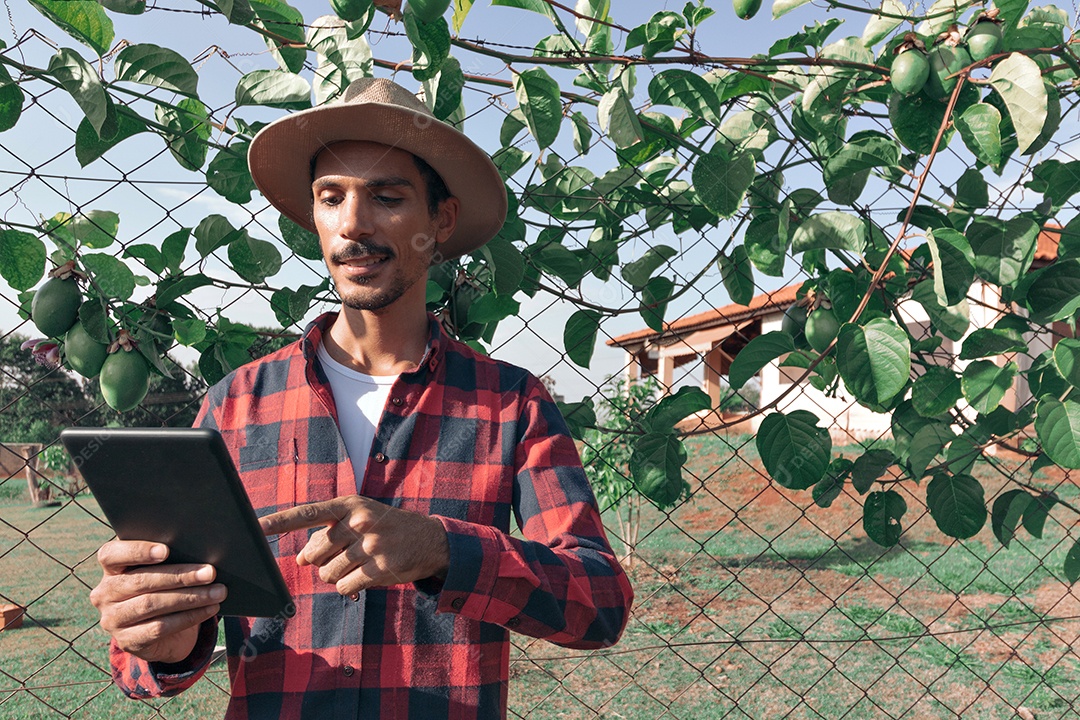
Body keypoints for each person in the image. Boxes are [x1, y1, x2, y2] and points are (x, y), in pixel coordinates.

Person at [89, 77, 634, 719]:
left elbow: (599, 605)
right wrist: (164, 637)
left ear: (442, 221)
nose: (354, 224)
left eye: (387, 197)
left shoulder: (510, 404)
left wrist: (441, 548)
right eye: (331, 197)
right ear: (314, 218)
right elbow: (147, 657)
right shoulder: (234, 406)